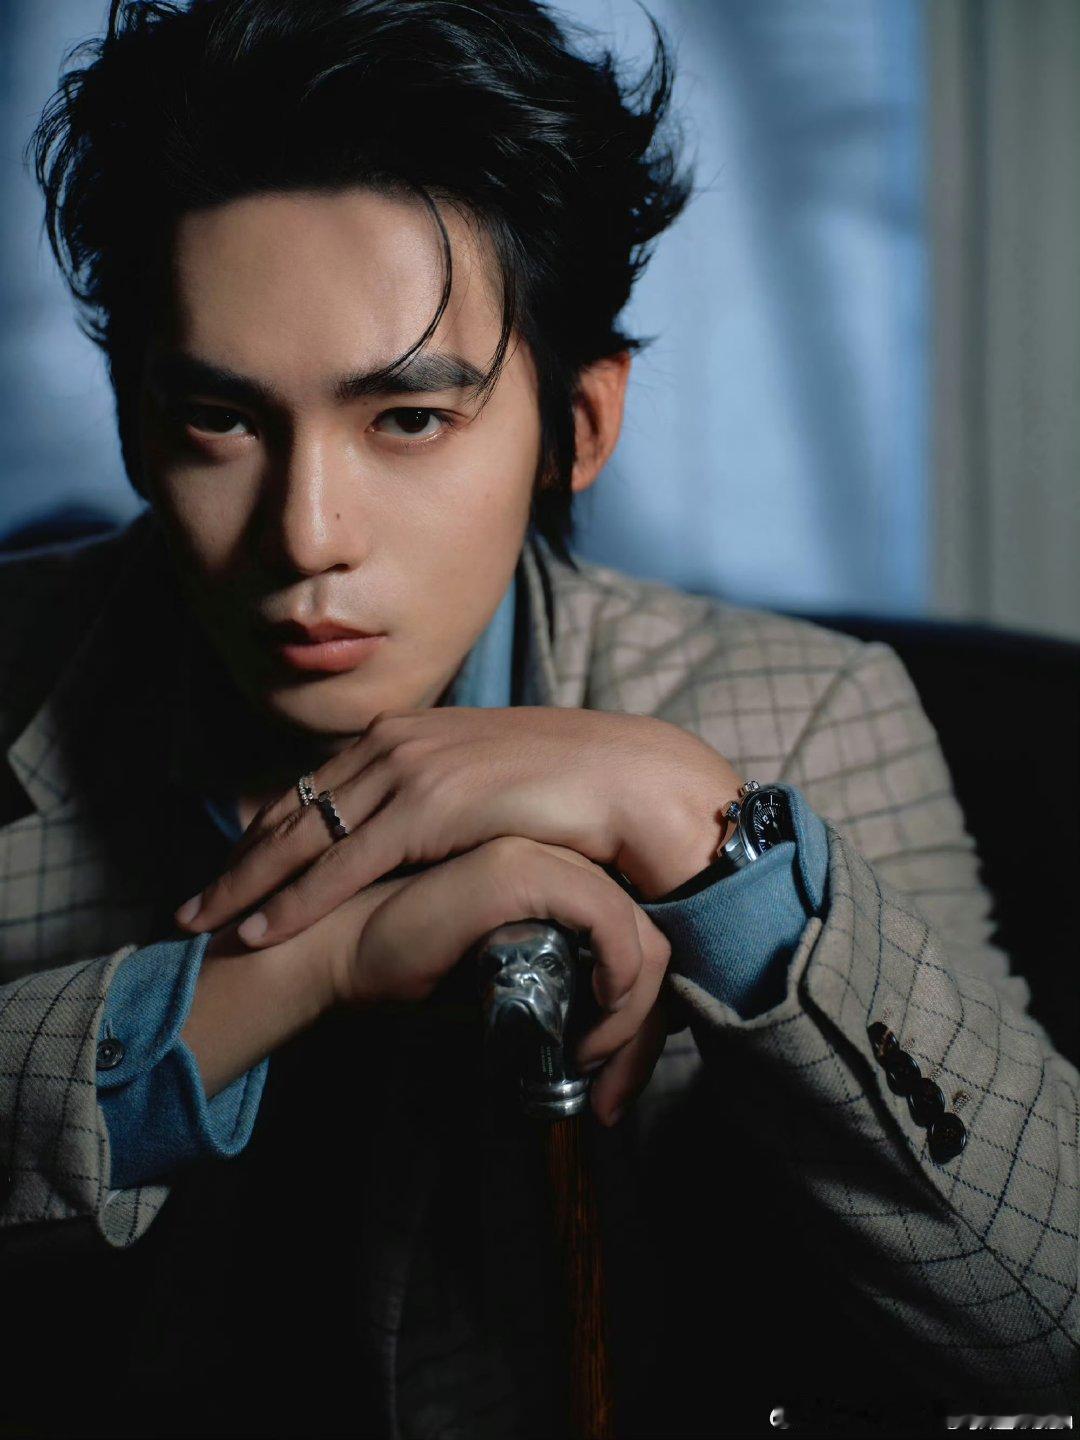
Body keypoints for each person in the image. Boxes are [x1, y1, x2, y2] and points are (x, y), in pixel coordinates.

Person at [0, 1, 1074, 1435]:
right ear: (135, 419)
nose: (307, 534)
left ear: (579, 428)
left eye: (409, 420)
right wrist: (297, 974)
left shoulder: (803, 716)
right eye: (222, 420)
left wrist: (699, 829)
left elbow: (1053, 1331)